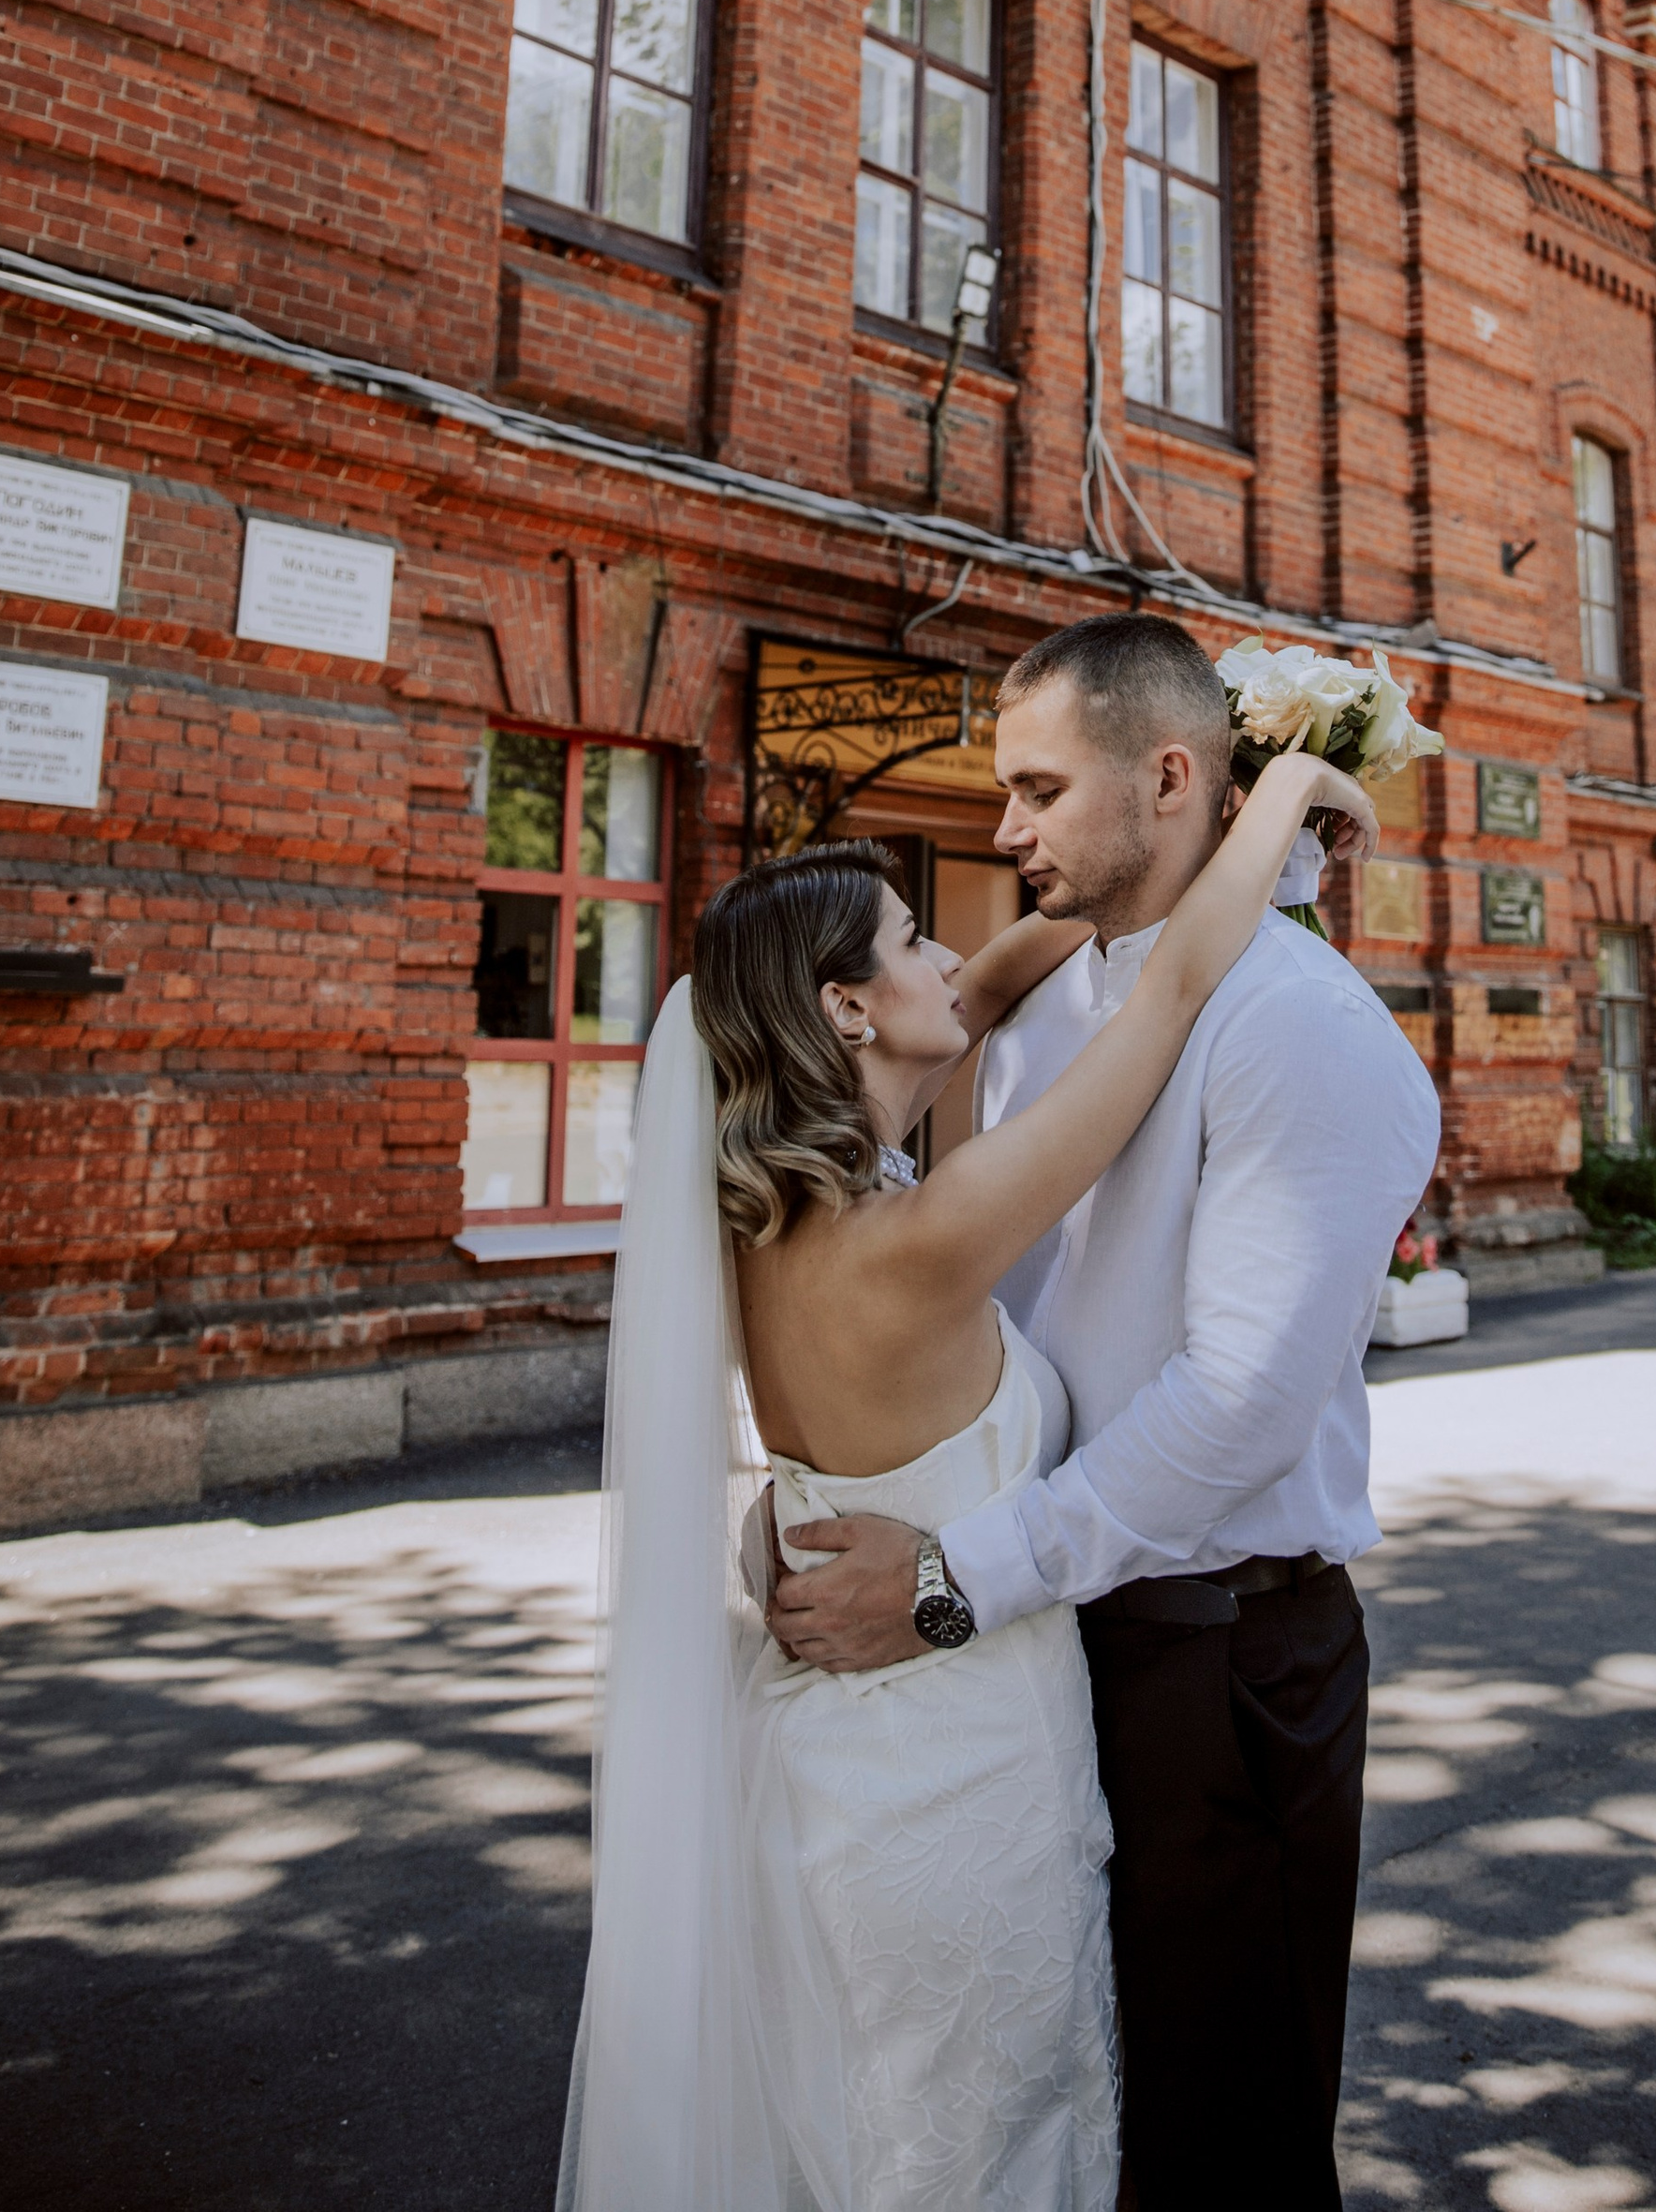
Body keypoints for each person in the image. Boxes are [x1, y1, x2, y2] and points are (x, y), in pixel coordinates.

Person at [555, 711, 1379, 2212]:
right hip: (949, 1779)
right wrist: (1298, 795)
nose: (956, 952)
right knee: (970, 2152)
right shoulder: (921, 1238)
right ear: (850, 1013)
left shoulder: (779, 1218)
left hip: (835, 1751)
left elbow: (1007, 971)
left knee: (885, 2137)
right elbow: (1182, 982)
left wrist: (1151, 839)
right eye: (911, 940)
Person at [770, 612, 1446, 2211]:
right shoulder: (1058, 1002)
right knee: (1086, 2106)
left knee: (1225, 2135)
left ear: (1166, 776)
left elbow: (1237, 1407)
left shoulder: (1300, 1027)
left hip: (1217, 1660)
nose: (1000, 832)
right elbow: (1008, 1315)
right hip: (1048, 1634)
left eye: (1035, 790)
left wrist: (950, 1581)